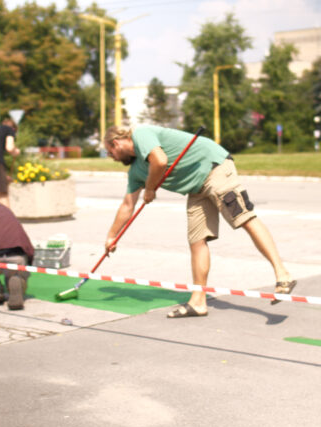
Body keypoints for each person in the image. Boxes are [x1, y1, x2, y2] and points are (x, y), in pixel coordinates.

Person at [103, 125, 295, 318]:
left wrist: (151, 188)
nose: (110, 157)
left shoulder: (141, 134)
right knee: (197, 240)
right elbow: (128, 205)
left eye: (109, 152)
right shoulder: (136, 172)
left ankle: (283, 275)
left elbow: (160, 161)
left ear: (116, 143)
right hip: (196, 188)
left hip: (213, 168)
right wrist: (112, 236)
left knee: (243, 218)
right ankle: (198, 302)